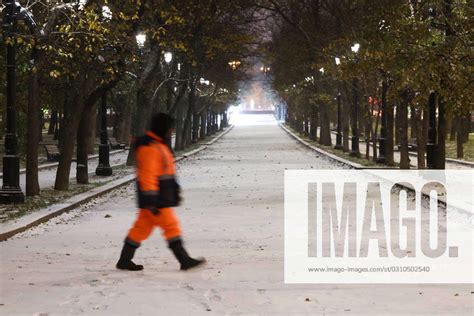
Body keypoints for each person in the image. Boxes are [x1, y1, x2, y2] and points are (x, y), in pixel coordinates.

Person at [116, 113, 205, 271]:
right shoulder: (150, 147)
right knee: (171, 226)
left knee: (141, 229)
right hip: (156, 199)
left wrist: (174, 190)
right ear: (162, 127)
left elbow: (166, 172)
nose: (171, 131)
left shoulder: (158, 144)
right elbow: (147, 175)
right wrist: (151, 200)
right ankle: (184, 260)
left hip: (157, 197)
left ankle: (124, 260)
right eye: (169, 128)